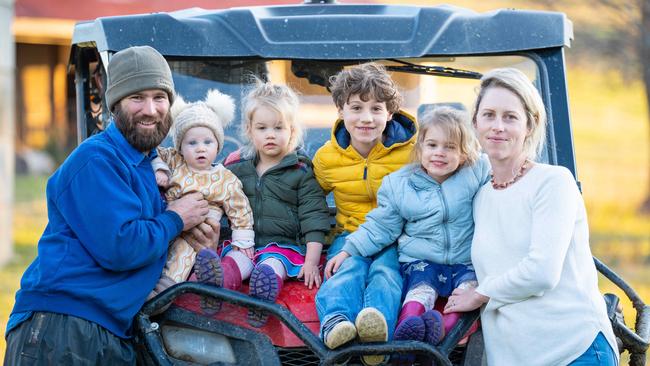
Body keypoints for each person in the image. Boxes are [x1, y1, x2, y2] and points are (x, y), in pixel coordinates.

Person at [4, 45, 217, 365]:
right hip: (63, 326)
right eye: (137, 98)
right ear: (115, 105)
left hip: (111, 331)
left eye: (159, 98)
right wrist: (176, 218)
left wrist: (201, 243)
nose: (150, 109)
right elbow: (121, 245)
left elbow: (149, 243)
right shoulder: (96, 160)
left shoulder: (151, 169)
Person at [446, 68, 618, 365]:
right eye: (488, 115)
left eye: (510, 117)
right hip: (515, 357)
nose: (497, 126)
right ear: (475, 123)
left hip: (573, 351)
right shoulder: (480, 195)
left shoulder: (553, 183)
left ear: (530, 124)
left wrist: (480, 294)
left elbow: (542, 272)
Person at [326, 107, 489, 348]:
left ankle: (442, 329)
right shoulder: (400, 184)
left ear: (464, 154)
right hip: (421, 260)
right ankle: (407, 329)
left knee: (467, 294)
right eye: (432, 145)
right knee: (419, 292)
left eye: (450, 147)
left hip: (466, 261)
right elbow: (381, 226)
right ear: (420, 147)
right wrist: (348, 249)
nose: (439, 154)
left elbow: (506, 185)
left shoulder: (477, 172)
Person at [313, 62, 417, 366]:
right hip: (349, 233)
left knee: (386, 274)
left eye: (376, 108)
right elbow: (307, 200)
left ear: (390, 113)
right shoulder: (327, 158)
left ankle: (377, 336)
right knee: (347, 270)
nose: (366, 118)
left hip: (396, 238)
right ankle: (335, 322)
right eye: (356, 108)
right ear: (341, 111)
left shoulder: (413, 153)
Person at [218, 81, 330, 327]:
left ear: (292, 130)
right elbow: (216, 196)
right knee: (234, 262)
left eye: (278, 127)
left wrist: (311, 261)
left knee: (271, 266)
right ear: (249, 130)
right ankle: (217, 286)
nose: (270, 134)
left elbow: (314, 217)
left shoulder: (300, 171)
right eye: (262, 127)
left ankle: (262, 298)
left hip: (283, 248)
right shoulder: (235, 167)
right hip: (245, 244)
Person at [147, 89, 255, 316]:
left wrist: (242, 244)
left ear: (218, 145)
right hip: (168, 223)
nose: (200, 148)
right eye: (191, 143)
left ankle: (161, 296)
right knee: (153, 252)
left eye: (207, 141)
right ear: (180, 147)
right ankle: (141, 287)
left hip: (198, 233)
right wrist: (160, 169)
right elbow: (150, 150)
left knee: (183, 259)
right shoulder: (175, 162)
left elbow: (240, 209)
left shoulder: (225, 178)